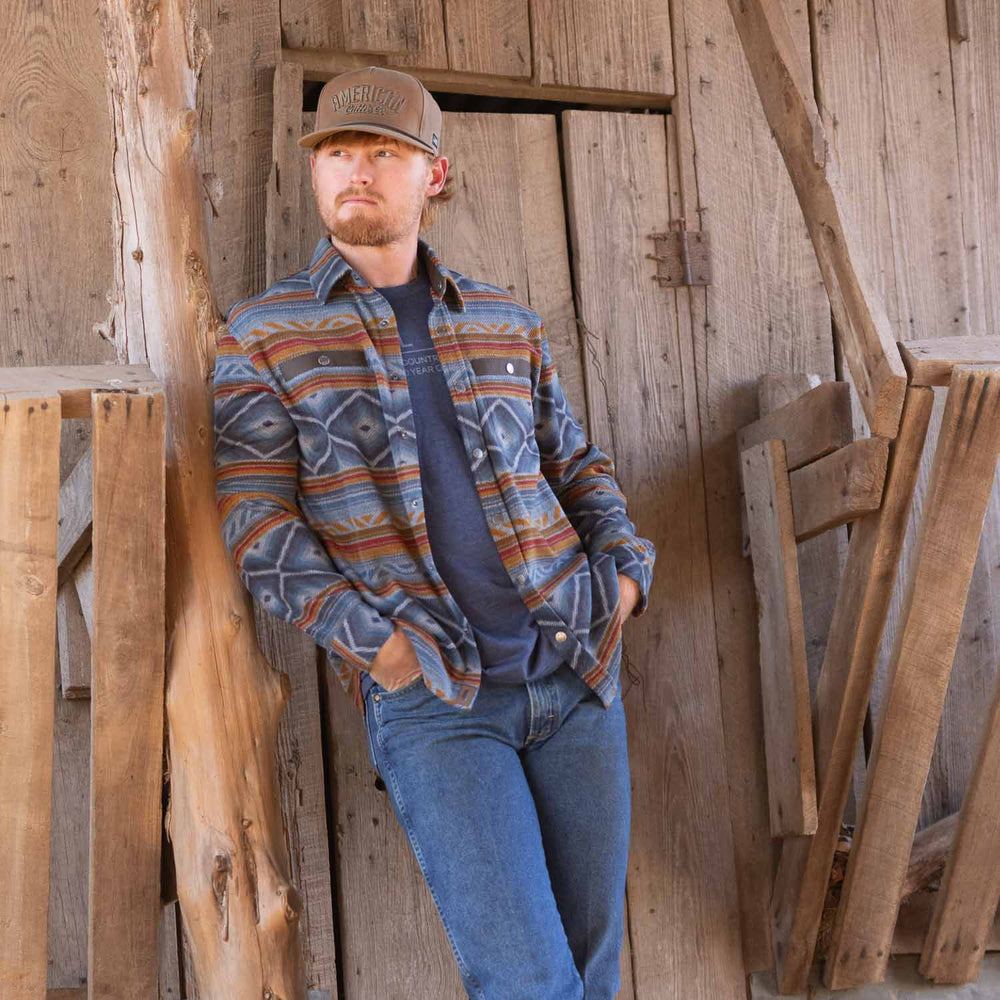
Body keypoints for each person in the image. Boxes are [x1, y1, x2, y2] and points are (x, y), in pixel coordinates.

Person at [213, 64, 656, 1000]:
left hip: (576, 675)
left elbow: (576, 466)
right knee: (529, 983)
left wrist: (621, 579)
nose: (357, 170)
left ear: (434, 176)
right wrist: (380, 649)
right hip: (437, 700)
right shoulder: (263, 336)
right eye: (337, 152)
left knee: (591, 973)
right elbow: (258, 523)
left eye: (384, 152)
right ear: (316, 172)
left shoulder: (503, 321)